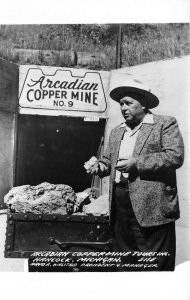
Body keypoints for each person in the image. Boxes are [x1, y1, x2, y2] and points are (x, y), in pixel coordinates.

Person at [85, 80, 184, 271]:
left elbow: (175, 156)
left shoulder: (164, 124)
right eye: (121, 103)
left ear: (144, 103)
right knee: (124, 259)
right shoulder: (117, 131)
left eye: (128, 103)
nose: (123, 108)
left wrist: (137, 163)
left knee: (155, 262)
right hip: (120, 204)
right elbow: (108, 162)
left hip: (152, 205)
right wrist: (99, 167)